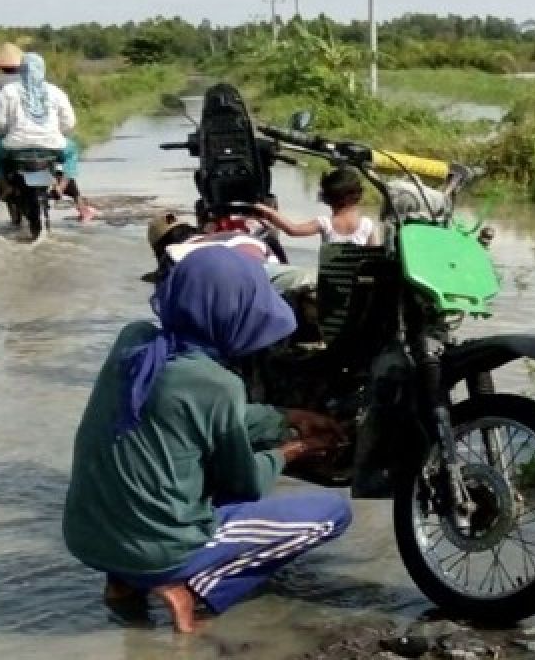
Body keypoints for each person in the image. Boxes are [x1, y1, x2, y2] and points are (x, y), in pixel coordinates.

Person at [63, 247, 351, 632]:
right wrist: (295, 450)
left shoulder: (133, 342)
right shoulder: (219, 384)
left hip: (86, 538)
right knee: (332, 513)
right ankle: (193, 588)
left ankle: (122, 585)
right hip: (158, 552)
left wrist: (285, 418)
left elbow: (194, 417)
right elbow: (245, 482)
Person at [0, 52, 96, 238]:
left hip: (14, 147)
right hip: (52, 147)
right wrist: (54, 132)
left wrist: (8, 132)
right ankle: (61, 186)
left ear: (22, 70)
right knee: (72, 150)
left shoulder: (8, 91)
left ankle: (4, 186)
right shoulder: (55, 91)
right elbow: (69, 123)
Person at [254, 167, 377, 246]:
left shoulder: (325, 223)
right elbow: (375, 259)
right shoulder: (367, 225)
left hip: (327, 284)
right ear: (358, 196)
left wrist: (266, 210)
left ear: (328, 198)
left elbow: (293, 229)